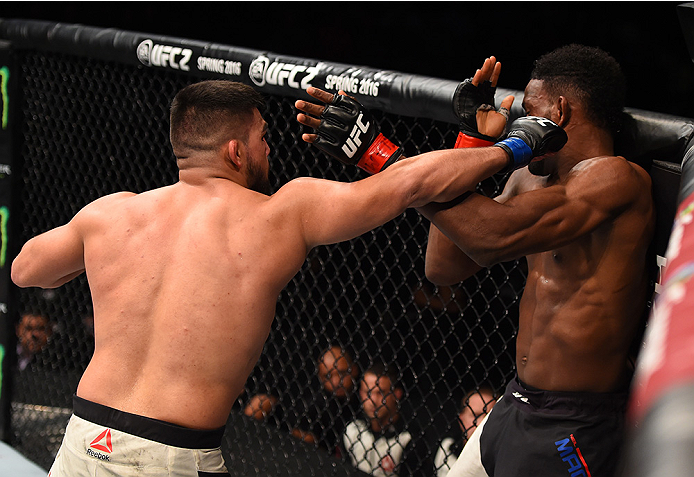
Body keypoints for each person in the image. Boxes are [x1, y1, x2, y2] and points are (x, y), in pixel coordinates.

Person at [10, 80, 564, 476]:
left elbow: (27, 269)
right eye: (261, 138)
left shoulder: (110, 214)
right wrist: (514, 145)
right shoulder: (280, 213)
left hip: (84, 441)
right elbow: (409, 184)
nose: (267, 148)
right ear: (234, 149)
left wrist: (107, 252)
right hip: (170, 456)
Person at [420, 45, 655, 477]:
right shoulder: (529, 177)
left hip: (573, 421)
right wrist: (472, 142)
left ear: (560, 111)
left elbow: (490, 237)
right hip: (515, 402)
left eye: (530, 109)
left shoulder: (616, 178)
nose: (517, 119)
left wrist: (386, 163)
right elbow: (444, 265)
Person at [343, 362, 429, 477]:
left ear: (396, 395)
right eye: (368, 392)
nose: (372, 400)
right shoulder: (352, 429)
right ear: (360, 393)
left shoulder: (409, 438)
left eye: (380, 392)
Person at [433, 386, 496, 477]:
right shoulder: (446, 448)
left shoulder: (502, 458)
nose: (482, 422)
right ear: (461, 419)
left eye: (488, 417)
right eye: (476, 415)